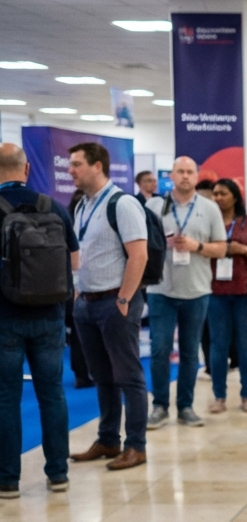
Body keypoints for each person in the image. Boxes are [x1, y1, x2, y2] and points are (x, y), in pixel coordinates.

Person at [0, 143, 79, 496]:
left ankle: (8, 480)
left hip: (5, 317)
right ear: (27, 169)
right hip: (49, 315)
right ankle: (58, 474)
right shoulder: (54, 208)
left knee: (6, 398)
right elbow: (74, 263)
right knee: (52, 395)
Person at [67, 142, 149, 471]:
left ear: (97, 166)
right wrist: (76, 295)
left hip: (116, 302)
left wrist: (125, 300)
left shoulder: (122, 203)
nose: (70, 170)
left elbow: (139, 255)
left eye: (76, 164)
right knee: (102, 377)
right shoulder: (81, 206)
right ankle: (108, 439)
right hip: (86, 303)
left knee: (128, 377)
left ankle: (136, 445)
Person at [145, 157, 226, 430]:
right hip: (161, 289)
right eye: (180, 171)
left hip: (197, 290)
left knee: (191, 352)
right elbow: (140, 244)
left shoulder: (209, 208)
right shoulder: (154, 206)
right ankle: (159, 406)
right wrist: (160, 244)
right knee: (160, 350)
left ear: (196, 175)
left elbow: (222, 249)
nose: (185, 176)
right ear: (171, 175)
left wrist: (197, 246)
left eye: (190, 172)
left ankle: (185, 407)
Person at [208, 178, 247, 414]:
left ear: (234, 196)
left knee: (245, 344)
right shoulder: (209, 222)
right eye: (215, 194)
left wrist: (243, 250)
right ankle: (219, 396)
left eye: (223, 193)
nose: (218, 198)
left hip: (245, 294)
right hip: (215, 293)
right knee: (218, 345)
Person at [65, 187, 93, 389]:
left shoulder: (64, 226)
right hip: (83, 287)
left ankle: (81, 375)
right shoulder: (82, 229)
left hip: (70, 288)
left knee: (77, 334)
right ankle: (88, 373)